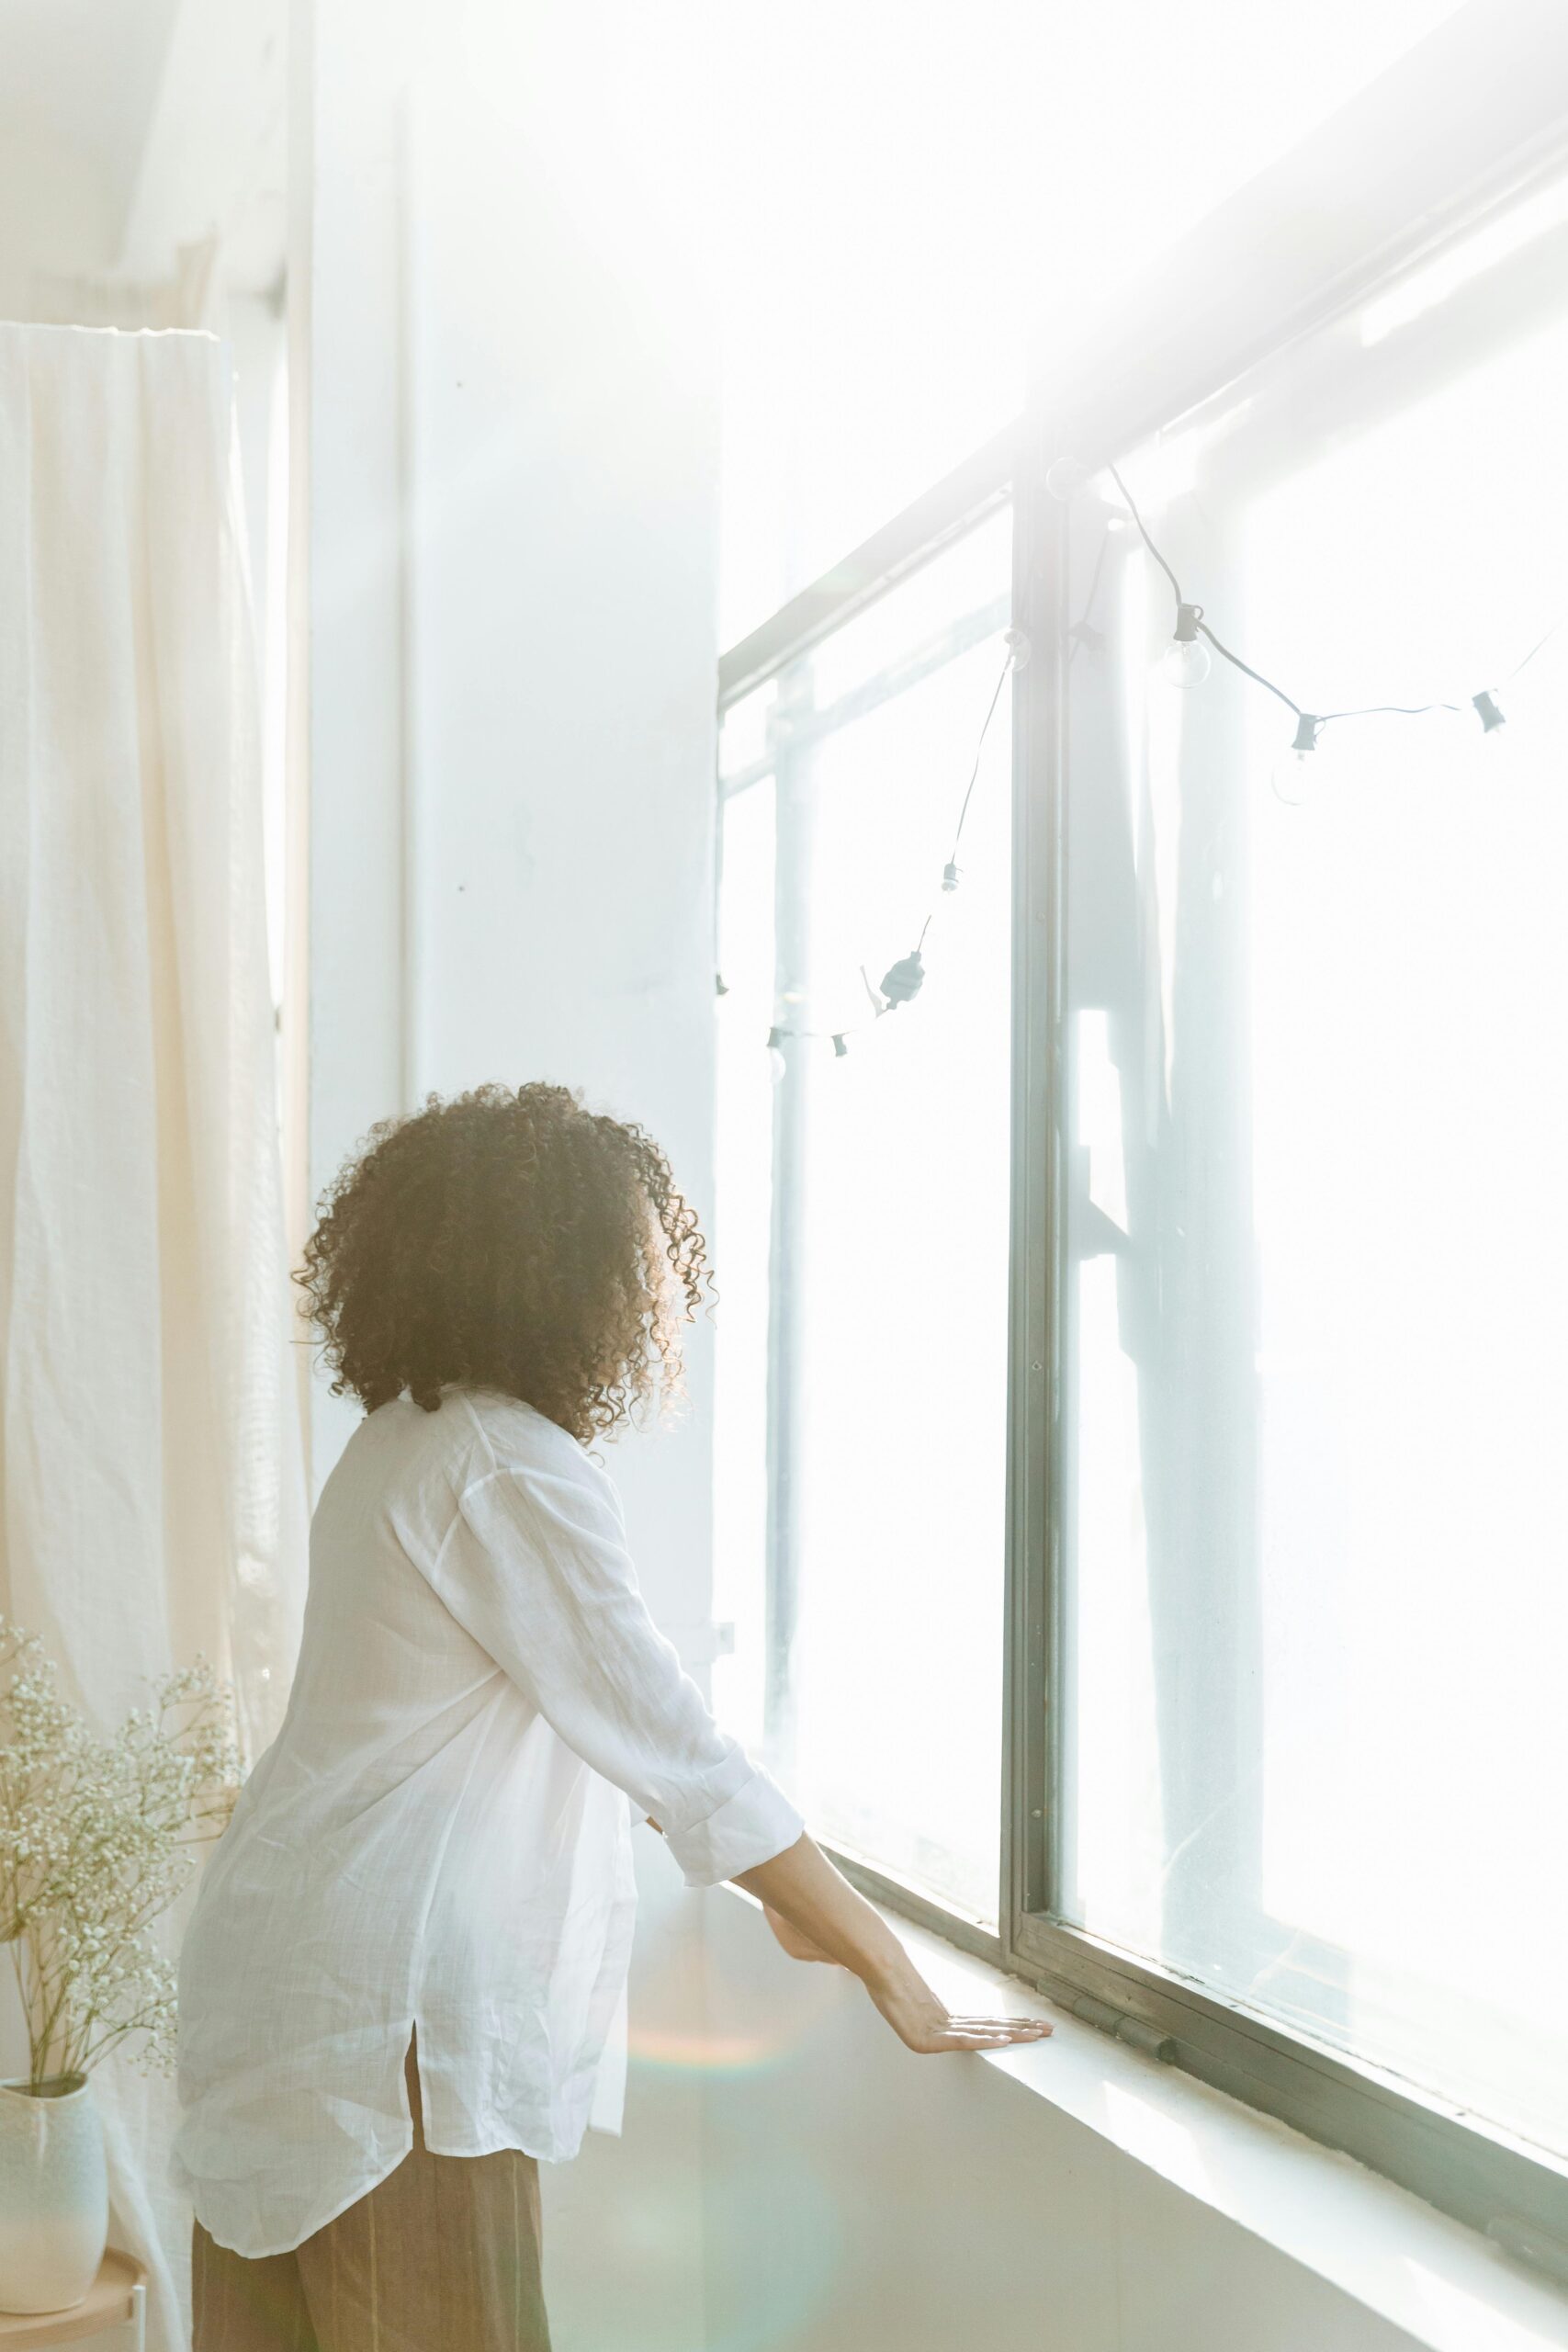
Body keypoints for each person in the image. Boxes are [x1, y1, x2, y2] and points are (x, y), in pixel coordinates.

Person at [175, 1081, 1049, 2351]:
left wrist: (802, 1916)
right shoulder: (505, 1465)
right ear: (558, 1279)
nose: (655, 1296)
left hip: (289, 1980)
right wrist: (890, 1968)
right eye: (635, 1262)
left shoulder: (403, 1437)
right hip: (387, 2028)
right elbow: (675, 1748)